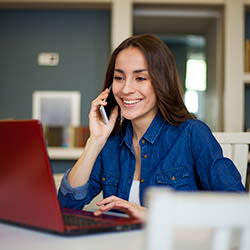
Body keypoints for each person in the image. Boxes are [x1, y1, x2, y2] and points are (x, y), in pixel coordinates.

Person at [58, 34, 245, 221]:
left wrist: (154, 215)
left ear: (161, 82)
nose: (126, 89)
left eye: (140, 78)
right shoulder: (110, 143)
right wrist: (95, 141)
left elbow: (238, 208)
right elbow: (66, 207)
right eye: (119, 77)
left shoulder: (192, 134)